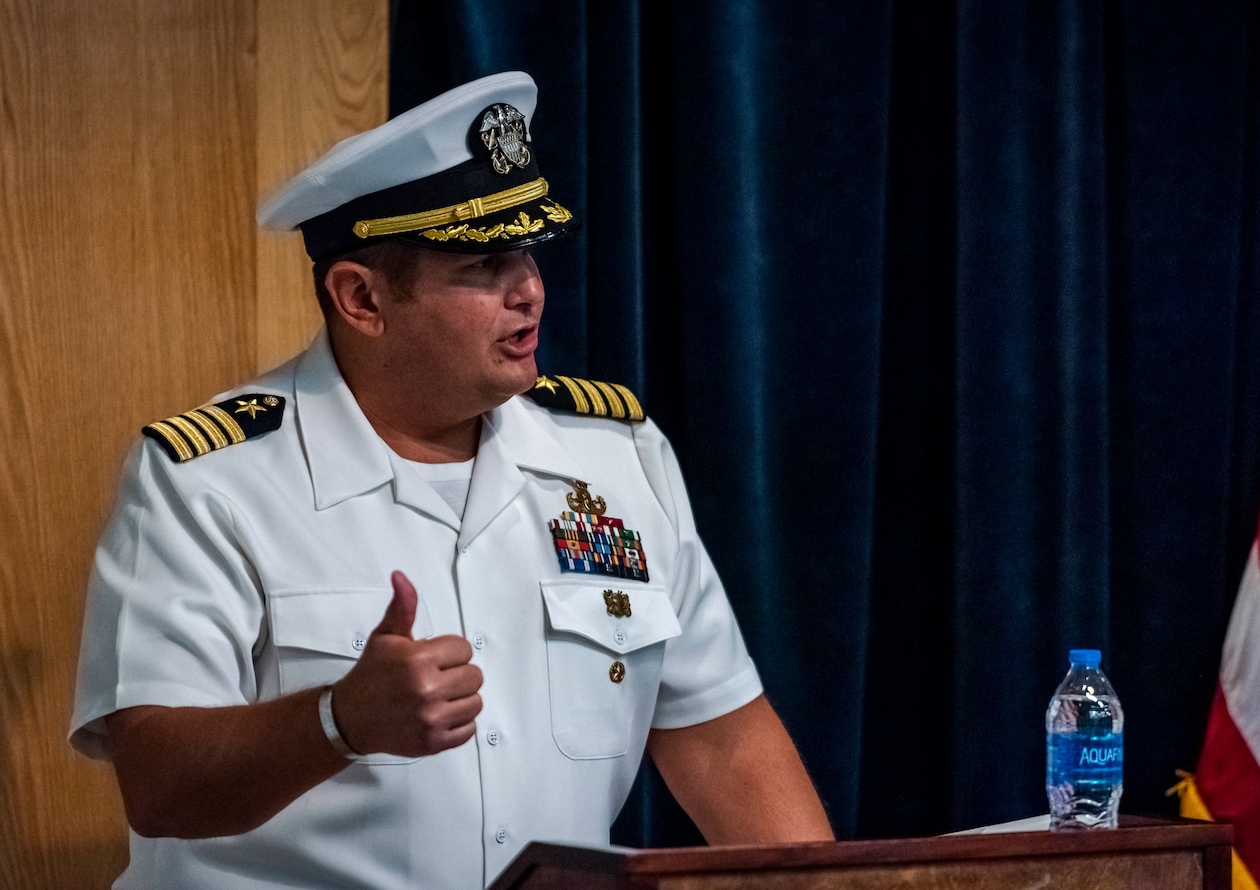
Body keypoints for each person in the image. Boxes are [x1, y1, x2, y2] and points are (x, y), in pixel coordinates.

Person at [70, 71, 832, 888]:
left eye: (530, 251)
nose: (530, 289)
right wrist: (337, 721)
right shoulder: (210, 479)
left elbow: (720, 735)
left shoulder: (617, 457)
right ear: (360, 297)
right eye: (484, 264)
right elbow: (158, 783)